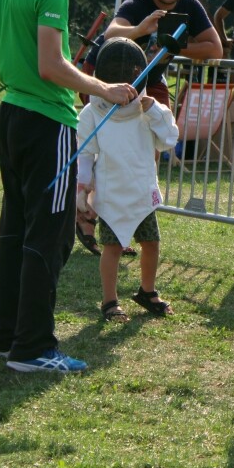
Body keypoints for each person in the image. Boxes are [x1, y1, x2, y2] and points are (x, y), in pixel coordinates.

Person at [0, 0, 138, 373]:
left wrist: (23, 72)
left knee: (14, 230)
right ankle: (32, 348)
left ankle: (2, 337)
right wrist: (103, 88)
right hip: (47, 123)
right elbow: (52, 65)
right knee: (47, 236)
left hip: (9, 117)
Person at [76, 38, 179, 322]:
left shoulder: (149, 109)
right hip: (111, 195)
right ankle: (110, 301)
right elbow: (85, 153)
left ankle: (147, 291)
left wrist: (154, 110)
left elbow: (168, 139)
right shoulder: (91, 112)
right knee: (113, 248)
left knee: (151, 243)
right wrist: (82, 189)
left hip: (142, 191)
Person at [102, 0, 223, 108]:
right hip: (108, 79)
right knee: (116, 130)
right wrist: (140, 29)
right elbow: (110, 35)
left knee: (165, 129)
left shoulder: (190, 5)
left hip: (150, 81)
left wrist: (170, 47)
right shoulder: (137, 1)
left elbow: (216, 50)